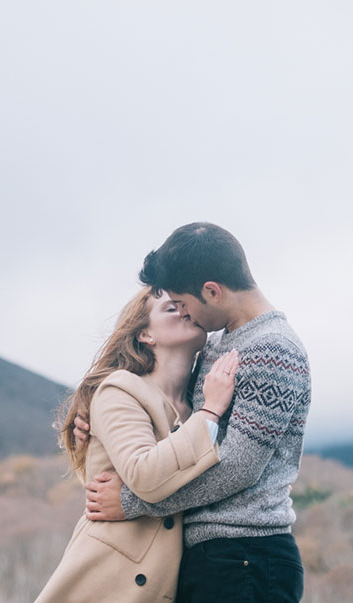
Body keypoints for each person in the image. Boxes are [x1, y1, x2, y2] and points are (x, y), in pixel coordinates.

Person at [79, 222, 311, 603]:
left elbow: (238, 467)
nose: (185, 314)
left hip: (247, 556)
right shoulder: (217, 344)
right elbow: (176, 426)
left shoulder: (274, 350)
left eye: (184, 304)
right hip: (207, 556)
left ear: (212, 292)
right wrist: (95, 423)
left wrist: (132, 503)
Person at [36, 286, 239, 603]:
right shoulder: (120, 388)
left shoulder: (193, 402)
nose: (186, 311)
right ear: (145, 334)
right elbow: (144, 475)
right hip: (109, 580)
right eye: (172, 308)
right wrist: (211, 412)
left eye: (185, 305)